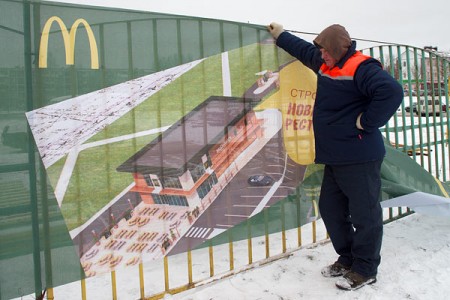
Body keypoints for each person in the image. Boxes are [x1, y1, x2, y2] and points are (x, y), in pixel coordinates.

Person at [267, 23, 403, 291]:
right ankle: (348, 257)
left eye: (325, 51)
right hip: (337, 157)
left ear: (338, 49)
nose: (321, 56)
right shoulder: (327, 63)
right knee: (331, 209)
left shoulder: (361, 67)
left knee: (365, 215)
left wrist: (367, 122)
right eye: (321, 51)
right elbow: (304, 50)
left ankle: (365, 268)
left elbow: (392, 92)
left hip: (360, 157)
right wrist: (280, 35)